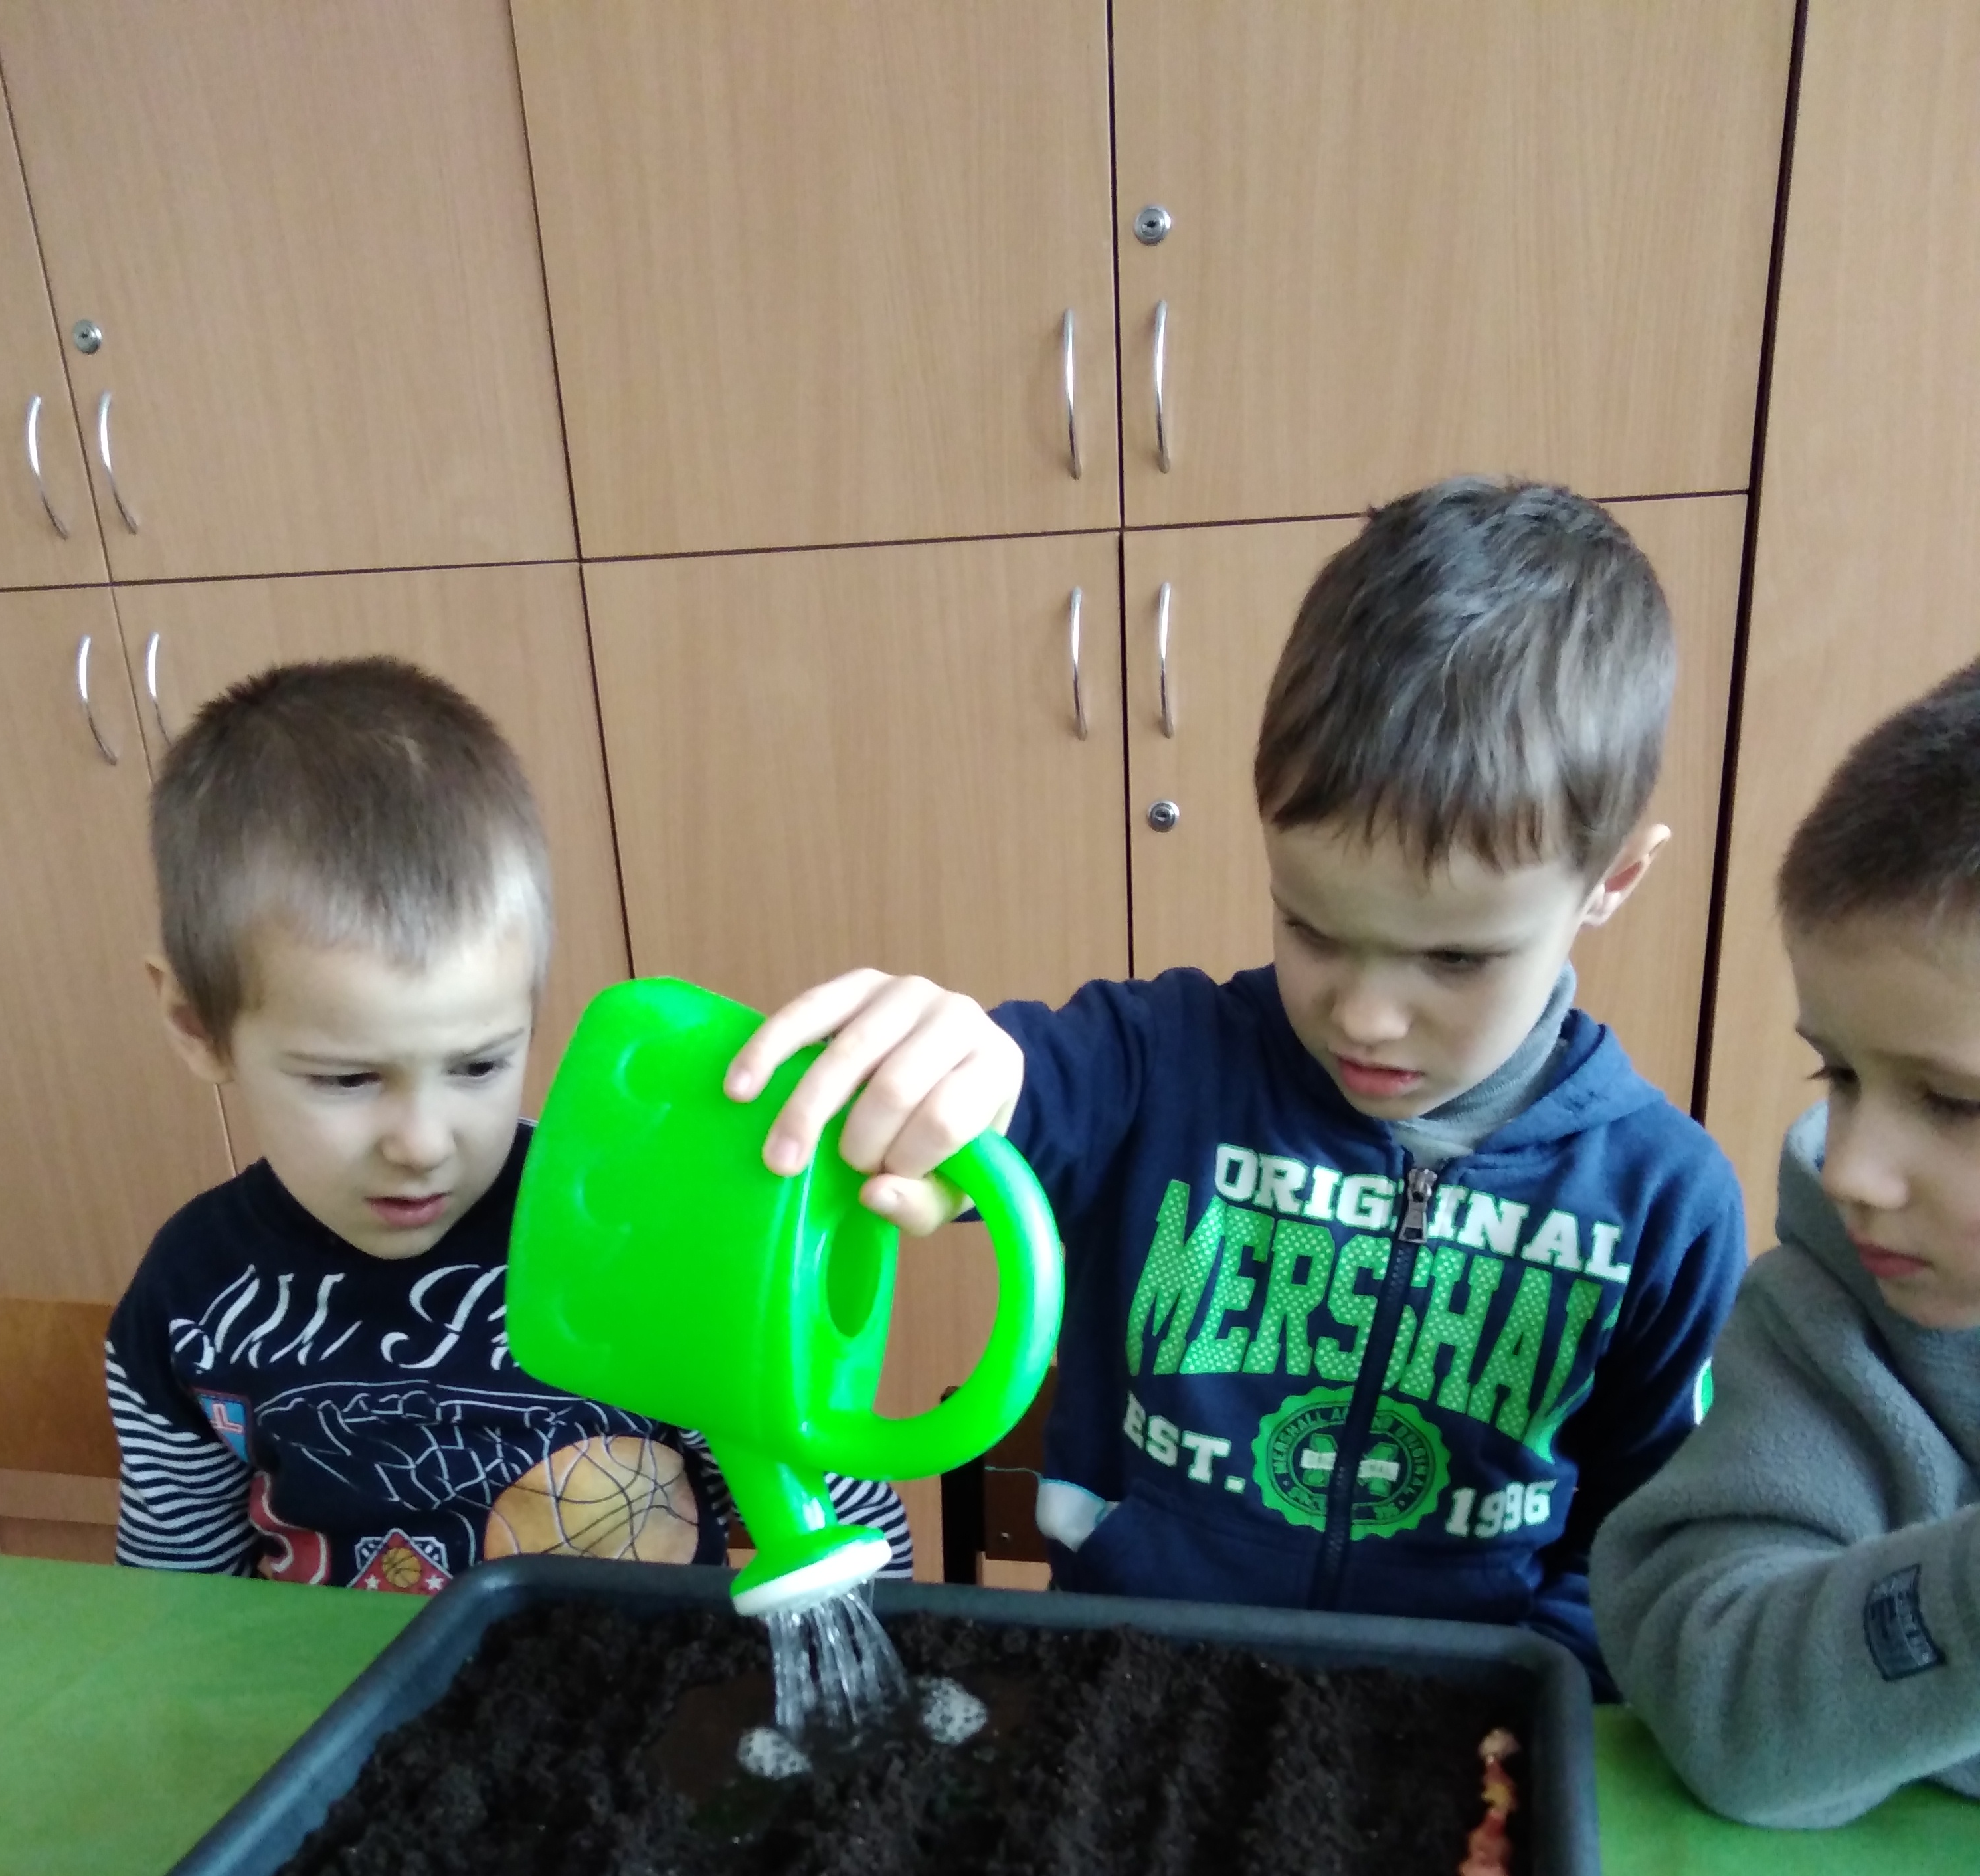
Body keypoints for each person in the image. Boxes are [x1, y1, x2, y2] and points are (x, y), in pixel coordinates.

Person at [725, 478, 1746, 1682]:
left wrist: (1541, 1697)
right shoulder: (1153, 1065)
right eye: (1311, 927)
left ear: (1614, 879)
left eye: (1457, 959)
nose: (1364, 1016)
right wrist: (951, 1070)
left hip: (1452, 1727)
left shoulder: (1665, 1203)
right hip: (1129, 1681)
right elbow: (1012, 1095)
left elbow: (1641, 1546)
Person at [109, 656, 911, 1594]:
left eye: (478, 1066)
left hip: (635, 1680)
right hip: (341, 1686)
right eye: (347, 1079)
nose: (422, 1144)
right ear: (196, 1026)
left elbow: (845, 1532)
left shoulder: (644, 1242)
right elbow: (174, 1597)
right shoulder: (190, 1295)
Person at [1595, 659, 1980, 1824]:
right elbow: (1712, 1691)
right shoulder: (1830, 1319)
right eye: (1841, 1075)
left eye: (1954, 1104)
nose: (1851, 1168)